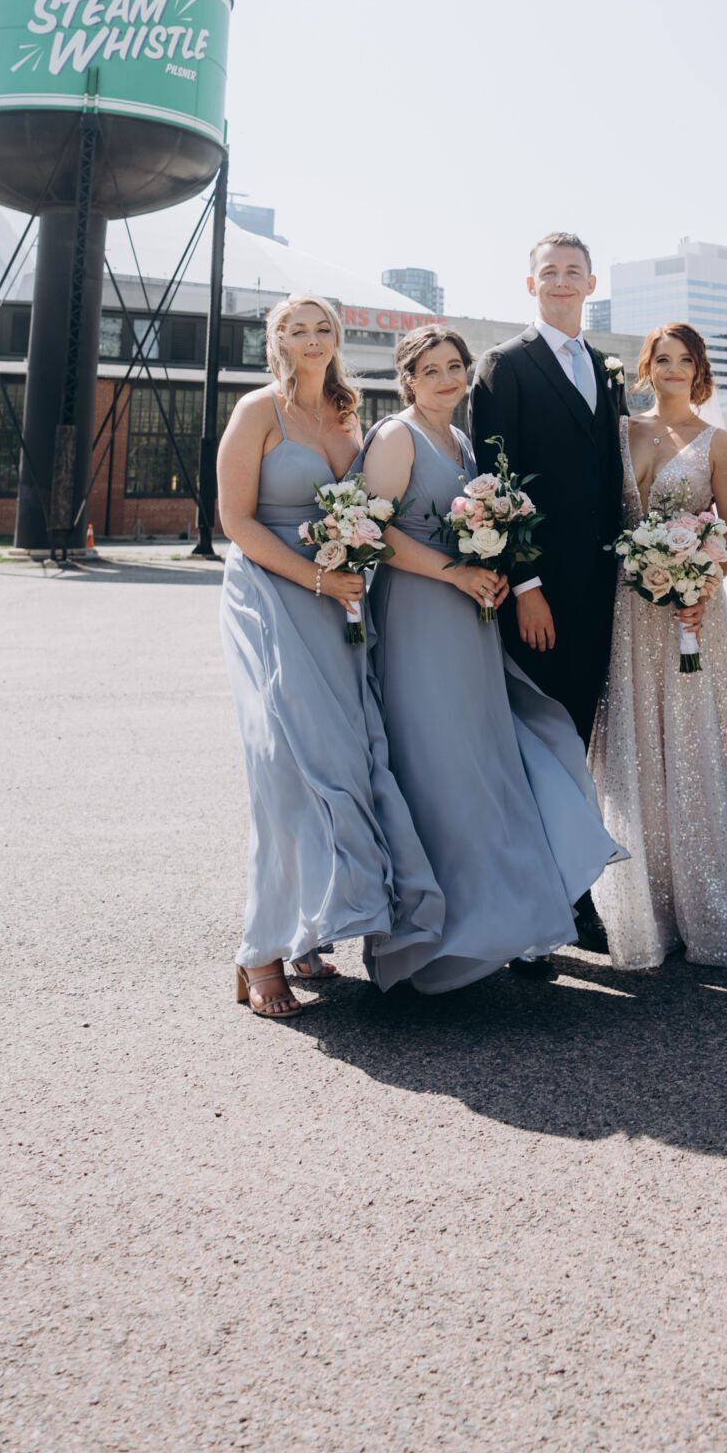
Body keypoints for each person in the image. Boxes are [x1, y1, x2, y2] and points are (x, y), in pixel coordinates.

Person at [361, 327, 621, 994]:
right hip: (418, 614)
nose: (447, 379)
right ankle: (432, 937)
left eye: (455, 366)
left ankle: (501, 922)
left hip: (473, 618)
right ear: (408, 379)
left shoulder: (465, 443)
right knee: (436, 764)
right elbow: (373, 531)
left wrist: (494, 568)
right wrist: (456, 572)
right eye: (431, 370)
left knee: (487, 762)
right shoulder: (396, 437)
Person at [216, 293, 442, 1018]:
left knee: (346, 759)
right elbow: (234, 520)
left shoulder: (349, 415)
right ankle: (259, 952)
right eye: (296, 329)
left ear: (337, 339)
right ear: (277, 339)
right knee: (286, 767)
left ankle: (311, 925)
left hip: (340, 602)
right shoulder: (258, 411)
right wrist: (313, 576)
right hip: (271, 595)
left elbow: (373, 512)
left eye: (322, 329)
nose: (311, 340)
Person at [469, 232, 627, 953]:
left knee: (578, 740)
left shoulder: (605, 368)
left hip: (600, 589)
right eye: (549, 272)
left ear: (591, 284)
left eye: (574, 271)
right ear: (530, 284)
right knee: (535, 742)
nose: (562, 281)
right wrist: (526, 585)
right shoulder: (503, 367)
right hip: (537, 594)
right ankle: (537, 913)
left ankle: (572, 894)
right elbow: (495, 483)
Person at [591, 324, 727, 973]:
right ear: (647, 367)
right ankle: (644, 910)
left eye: (684, 360)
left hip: (690, 612)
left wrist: (703, 587)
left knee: (691, 743)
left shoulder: (718, 442)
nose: (672, 369)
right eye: (662, 359)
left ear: (699, 370)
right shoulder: (618, 432)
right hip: (625, 611)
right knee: (634, 744)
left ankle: (708, 898)